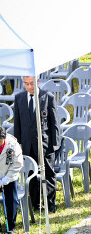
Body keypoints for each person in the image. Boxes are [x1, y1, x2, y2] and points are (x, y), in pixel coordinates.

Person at [13, 76, 60, 212]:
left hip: (45, 144)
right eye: (26, 84)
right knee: (31, 175)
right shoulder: (19, 98)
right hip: (27, 144)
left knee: (49, 174)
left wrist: (54, 145)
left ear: (37, 82)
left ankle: (50, 203)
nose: (29, 87)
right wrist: (18, 144)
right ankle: (36, 203)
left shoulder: (47, 97)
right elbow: (18, 124)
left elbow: (54, 123)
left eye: (31, 83)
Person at [0, 127, 23, 234]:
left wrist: (6, 178)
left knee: (12, 200)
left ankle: (11, 225)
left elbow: (17, 164)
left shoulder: (13, 144)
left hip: (10, 176)